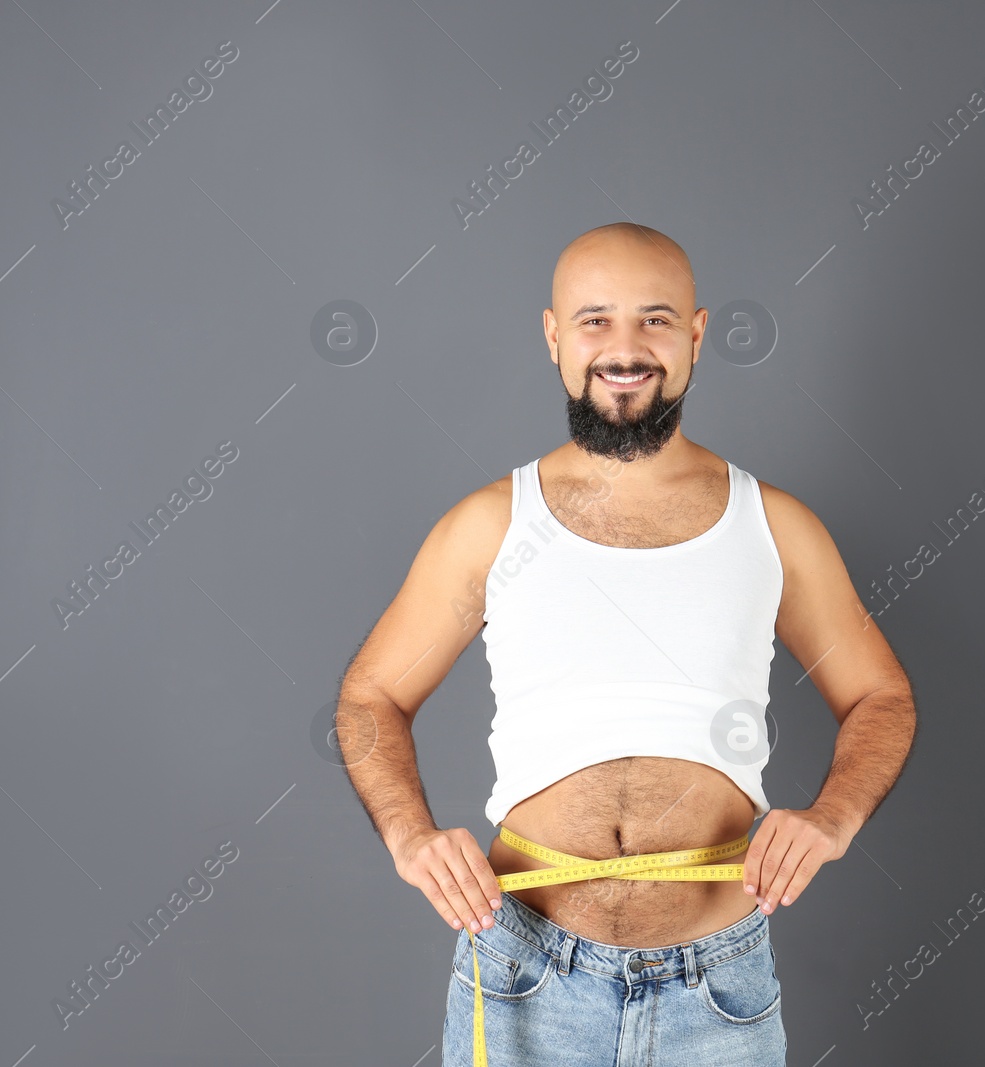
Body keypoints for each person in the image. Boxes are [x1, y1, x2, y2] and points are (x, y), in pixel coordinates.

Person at [337, 222, 917, 1066]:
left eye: (653, 319)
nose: (624, 347)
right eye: (595, 320)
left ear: (695, 334)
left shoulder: (774, 527)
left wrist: (833, 817)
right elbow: (369, 698)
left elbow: (881, 695)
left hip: (716, 991)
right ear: (554, 337)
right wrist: (409, 835)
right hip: (523, 978)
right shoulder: (491, 526)